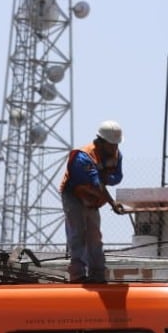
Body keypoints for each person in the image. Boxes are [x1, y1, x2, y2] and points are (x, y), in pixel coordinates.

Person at [59, 120, 125, 283]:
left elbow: (117, 177)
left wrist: (105, 177)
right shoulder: (83, 157)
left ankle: (97, 275)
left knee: (94, 237)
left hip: (92, 198)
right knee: (77, 234)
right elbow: (97, 184)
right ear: (101, 142)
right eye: (112, 144)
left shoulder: (116, 154)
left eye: (116, 144)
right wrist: (113, 203)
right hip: (74, 196)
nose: (115, 148)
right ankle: (77, 275)